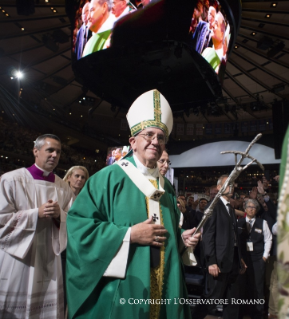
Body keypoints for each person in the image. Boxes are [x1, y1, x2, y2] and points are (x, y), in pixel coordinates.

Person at [66, 89, 201, 319]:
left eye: (161, 137)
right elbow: (79, 227)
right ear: (133, 141)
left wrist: (180, 238)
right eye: (149, 135)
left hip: (166, 284)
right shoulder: (107, 178)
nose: (155, 142)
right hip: (124, 285)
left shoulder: (166, 187)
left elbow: (165, 231)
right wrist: (128, 234)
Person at [0, 134, 74, 319]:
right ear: (36, 151)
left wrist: (60, 217)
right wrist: (35, 215)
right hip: (18, 258)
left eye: (58, 151)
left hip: (49, 256)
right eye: (50, 150)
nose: (54, 155)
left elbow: (74, 220)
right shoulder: (11, 180)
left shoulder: (64, 187)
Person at [202, 174, 246, 319]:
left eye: (232, 184)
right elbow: (208, 236)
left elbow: (234, 237)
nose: (231, 186)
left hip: (232, 260)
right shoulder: (213, 205)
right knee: (212, 300)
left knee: (233, 300)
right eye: (228, 184)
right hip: (219, 262)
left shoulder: (229, 207)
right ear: (219, 188)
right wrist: (211, 261)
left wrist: (239, 258)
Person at [238, 199, 272, 319]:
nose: (251, 209)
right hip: (243, 259)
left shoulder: (262, 222)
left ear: (256, 210)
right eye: (249, 207)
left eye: (253, 207)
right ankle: (243, 310)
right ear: (245, 209)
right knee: (243, 286)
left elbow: (268, 239)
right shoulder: (239, 222)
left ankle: (257, 313)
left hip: (258, 259)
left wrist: (265, 256)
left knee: (258, 287)